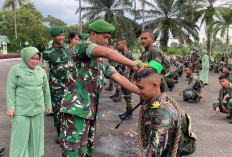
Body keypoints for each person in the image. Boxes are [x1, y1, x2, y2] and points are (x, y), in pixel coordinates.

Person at [59, 19, 142, 157]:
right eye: (104, 37)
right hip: (75, 112)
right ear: (92, 34)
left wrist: (139, 91)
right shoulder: (82, 46)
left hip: (89, 113)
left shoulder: (101, 61)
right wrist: (132, 63)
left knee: (85, 152)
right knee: (72, 152)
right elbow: (108, 53)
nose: (106, 41)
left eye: (108, 38)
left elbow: (118, 77)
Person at [6, 47, 52, 157]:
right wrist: (10, 107)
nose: (35, 61)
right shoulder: (15, 69)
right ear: (26, 57)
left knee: (36, 138)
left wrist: (48, 104)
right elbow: (10, 89)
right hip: (21, 111)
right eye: (32, 58)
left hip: (38, 110)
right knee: (20, 138)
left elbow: (46, 89)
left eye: (37, 59)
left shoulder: (41, 71)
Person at [134, 61, 180, 157]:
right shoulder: (150, 101)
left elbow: (152, 152)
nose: (138, 91)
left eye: (140, 88)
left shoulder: (163, 113)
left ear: (154, 85)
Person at [41, 26, 73, 144]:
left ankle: (70, 131)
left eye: (63, 35)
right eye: (59, 35)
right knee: (58, 110)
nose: (61, 37)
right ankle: (60, 133)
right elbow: (45, 70)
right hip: (56, 86)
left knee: (70, 108)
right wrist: (44, 85)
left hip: (70, 85)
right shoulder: (47, 52)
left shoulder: (69, 49)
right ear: (53, 37)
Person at [116, 38, 135, 120]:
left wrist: (124, 81)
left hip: (127, 78)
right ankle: (128, 111)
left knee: (128, 96)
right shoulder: (124, 53)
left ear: (124, 44)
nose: (118, 46)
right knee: (126, 96)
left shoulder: (127, 54)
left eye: (119, 44)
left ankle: (130, 113)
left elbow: (127, 68)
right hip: (125, 77)